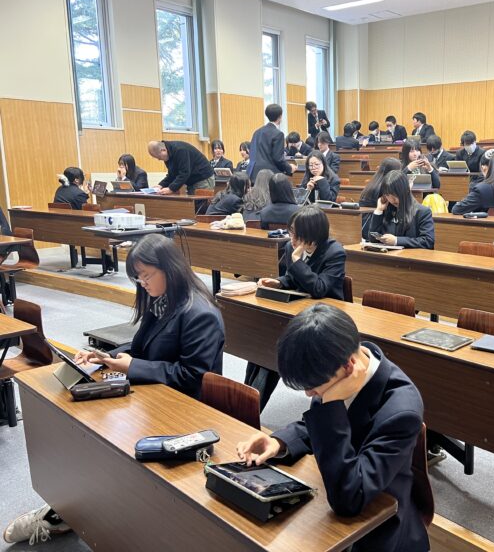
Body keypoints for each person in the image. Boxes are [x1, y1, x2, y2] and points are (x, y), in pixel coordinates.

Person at [4, 235, 225, 546]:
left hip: (186, 410)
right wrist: (105, 357)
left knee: (108, 439)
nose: (142, 283)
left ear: (170, 269)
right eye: (138, 277)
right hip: (155, 395)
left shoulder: (200, 314)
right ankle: (70, 508)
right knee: (86, 424)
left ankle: (76, 513)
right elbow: (142, 347)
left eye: (146, 275)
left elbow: (193, 377)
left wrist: (132, 367)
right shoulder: (163, 300)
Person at [236, 304, 428, 552]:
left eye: (313, 387)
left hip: (380, 527)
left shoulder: (401, 411)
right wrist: (279, 442)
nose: (309, 394)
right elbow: (316, 425)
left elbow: (349, 497)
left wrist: (331, 403)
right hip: (335, 499)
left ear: (349, 367)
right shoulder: (336, 361)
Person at [250, 206, 348, 406]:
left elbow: (319, 288)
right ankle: (248, 402)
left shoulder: (334, 252)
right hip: (298, 311)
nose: (292, 239)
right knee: (263, 346)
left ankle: (250, 405)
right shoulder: (290, 248)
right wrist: (279, 282)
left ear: (313, 234)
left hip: (325, 319)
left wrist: (296, 262)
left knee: (276, 347)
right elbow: (292, 278)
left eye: (297, 235)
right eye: (291, 232)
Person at [368, 171, 435, 249]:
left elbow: (428, 241)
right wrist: (379, 210)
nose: (392, 200)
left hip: (410, 255)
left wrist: (397, 241)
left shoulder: (422, 212)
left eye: (395, 195)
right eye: (387, 195)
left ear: (406, 191)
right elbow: (372, 239)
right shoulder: (387, 209)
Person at [247, 104, 295, 182]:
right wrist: (290, 168)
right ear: (280, 116)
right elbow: (278, 158)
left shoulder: (257, 132)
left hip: (252, 173)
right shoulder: (278, 134)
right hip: (268, 175)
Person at [148, 140, 215, 195]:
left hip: (202, 178)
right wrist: (161, 185)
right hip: (192, 181)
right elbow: (172, 175)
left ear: (163, 150)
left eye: (159, 157)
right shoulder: (168, 154)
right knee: (193, 204)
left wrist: (171, 188)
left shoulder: (180, 150)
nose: (159, 159)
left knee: (201, 204)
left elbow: (184, 173)